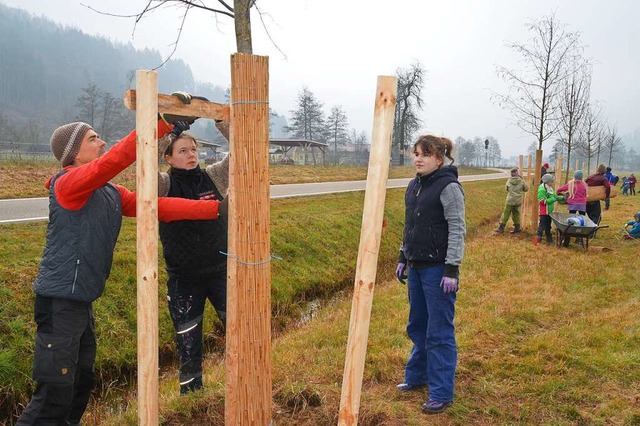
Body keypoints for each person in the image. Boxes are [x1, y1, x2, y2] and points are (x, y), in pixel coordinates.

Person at [16, 113, 226, 426]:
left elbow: (156, 206)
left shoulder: (109, 192)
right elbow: (112, 162)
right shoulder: (67, 184)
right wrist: (161, 124)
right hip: (59, 303)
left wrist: (215, 209)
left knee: (79, 386)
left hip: (80, 302)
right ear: (73, 152)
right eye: (92, 139)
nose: (101, 142)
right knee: (54, 394)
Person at [157, 116, 230, 394]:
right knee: (188, 343)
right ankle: (192, 396)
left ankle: (241, 383)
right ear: (169, 158)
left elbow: (245, 154)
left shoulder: (214, 177)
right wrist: (170, 131)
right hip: (183, 280)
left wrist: (222, 121)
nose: (191, 155)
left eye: (194, 150)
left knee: (239, 331)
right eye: (182, 151)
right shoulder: (163, 185)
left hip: (221, 273)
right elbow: (144, 164)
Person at [395, 135, 466, 414]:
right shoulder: (413, 185)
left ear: (439, 158)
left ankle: (441, 392)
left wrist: (452, 269)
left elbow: (457, 229)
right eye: (415, 153)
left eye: (424, 154)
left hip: (438, 271)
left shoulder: (449, 187)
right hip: (416, 267)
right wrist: (403, 256)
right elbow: (410, 225)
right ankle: (417, 376)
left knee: (439, 332)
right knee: (417, 325)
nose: (418, 159)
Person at [556, 170, 587, 247]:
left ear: (574, 176)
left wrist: (558, 192)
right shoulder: (584, 185)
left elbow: (560, 189)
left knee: (570, 222)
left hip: (573, 205)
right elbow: (585, 194)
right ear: (581, 177)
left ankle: (567, 239)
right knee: (581, 222)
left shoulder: (571, 184)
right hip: (582, 205)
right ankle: (579, 239)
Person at [495, 167, 528, 234]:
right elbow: (526, 189)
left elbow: (506, 189)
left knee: (506, 214)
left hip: (510, 200)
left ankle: (501, 228)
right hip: (518, 201)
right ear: (516, 173)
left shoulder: (509, 181)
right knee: (516, 214)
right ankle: (517, 228)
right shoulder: (521, 181)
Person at [535, 173, 559, 245]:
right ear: (547, 182)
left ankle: (549, 239)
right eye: (551, 182)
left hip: (549, 211)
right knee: (541, 226)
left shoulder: (549, 188)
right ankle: (537, 240)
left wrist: (560, 198)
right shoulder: (542, 190)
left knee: (548, 226)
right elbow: (542, 201)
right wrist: (552, 199)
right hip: (544, 212)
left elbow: (554, 196)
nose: (552, 183)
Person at [585, 164, 611, 229]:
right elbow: (608, 187)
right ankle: (591, 232)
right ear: (604, 171)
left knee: (590, 216)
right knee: (596, 217)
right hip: (594, 199)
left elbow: (585, 183)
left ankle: (589, 229)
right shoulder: (603, 178)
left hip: (587, 199)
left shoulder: (590, 177)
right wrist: (607, 196)